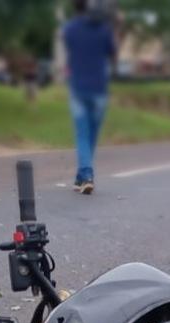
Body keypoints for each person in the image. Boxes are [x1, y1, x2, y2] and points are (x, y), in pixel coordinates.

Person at [62, 0, 117, 195]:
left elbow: (69, 48)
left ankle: (84, 175)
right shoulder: (105, 29)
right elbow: (112, 53)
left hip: (78, 88)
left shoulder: (70, 29)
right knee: (91, 135)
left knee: (83, 134)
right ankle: (83, 176)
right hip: (100, 89)